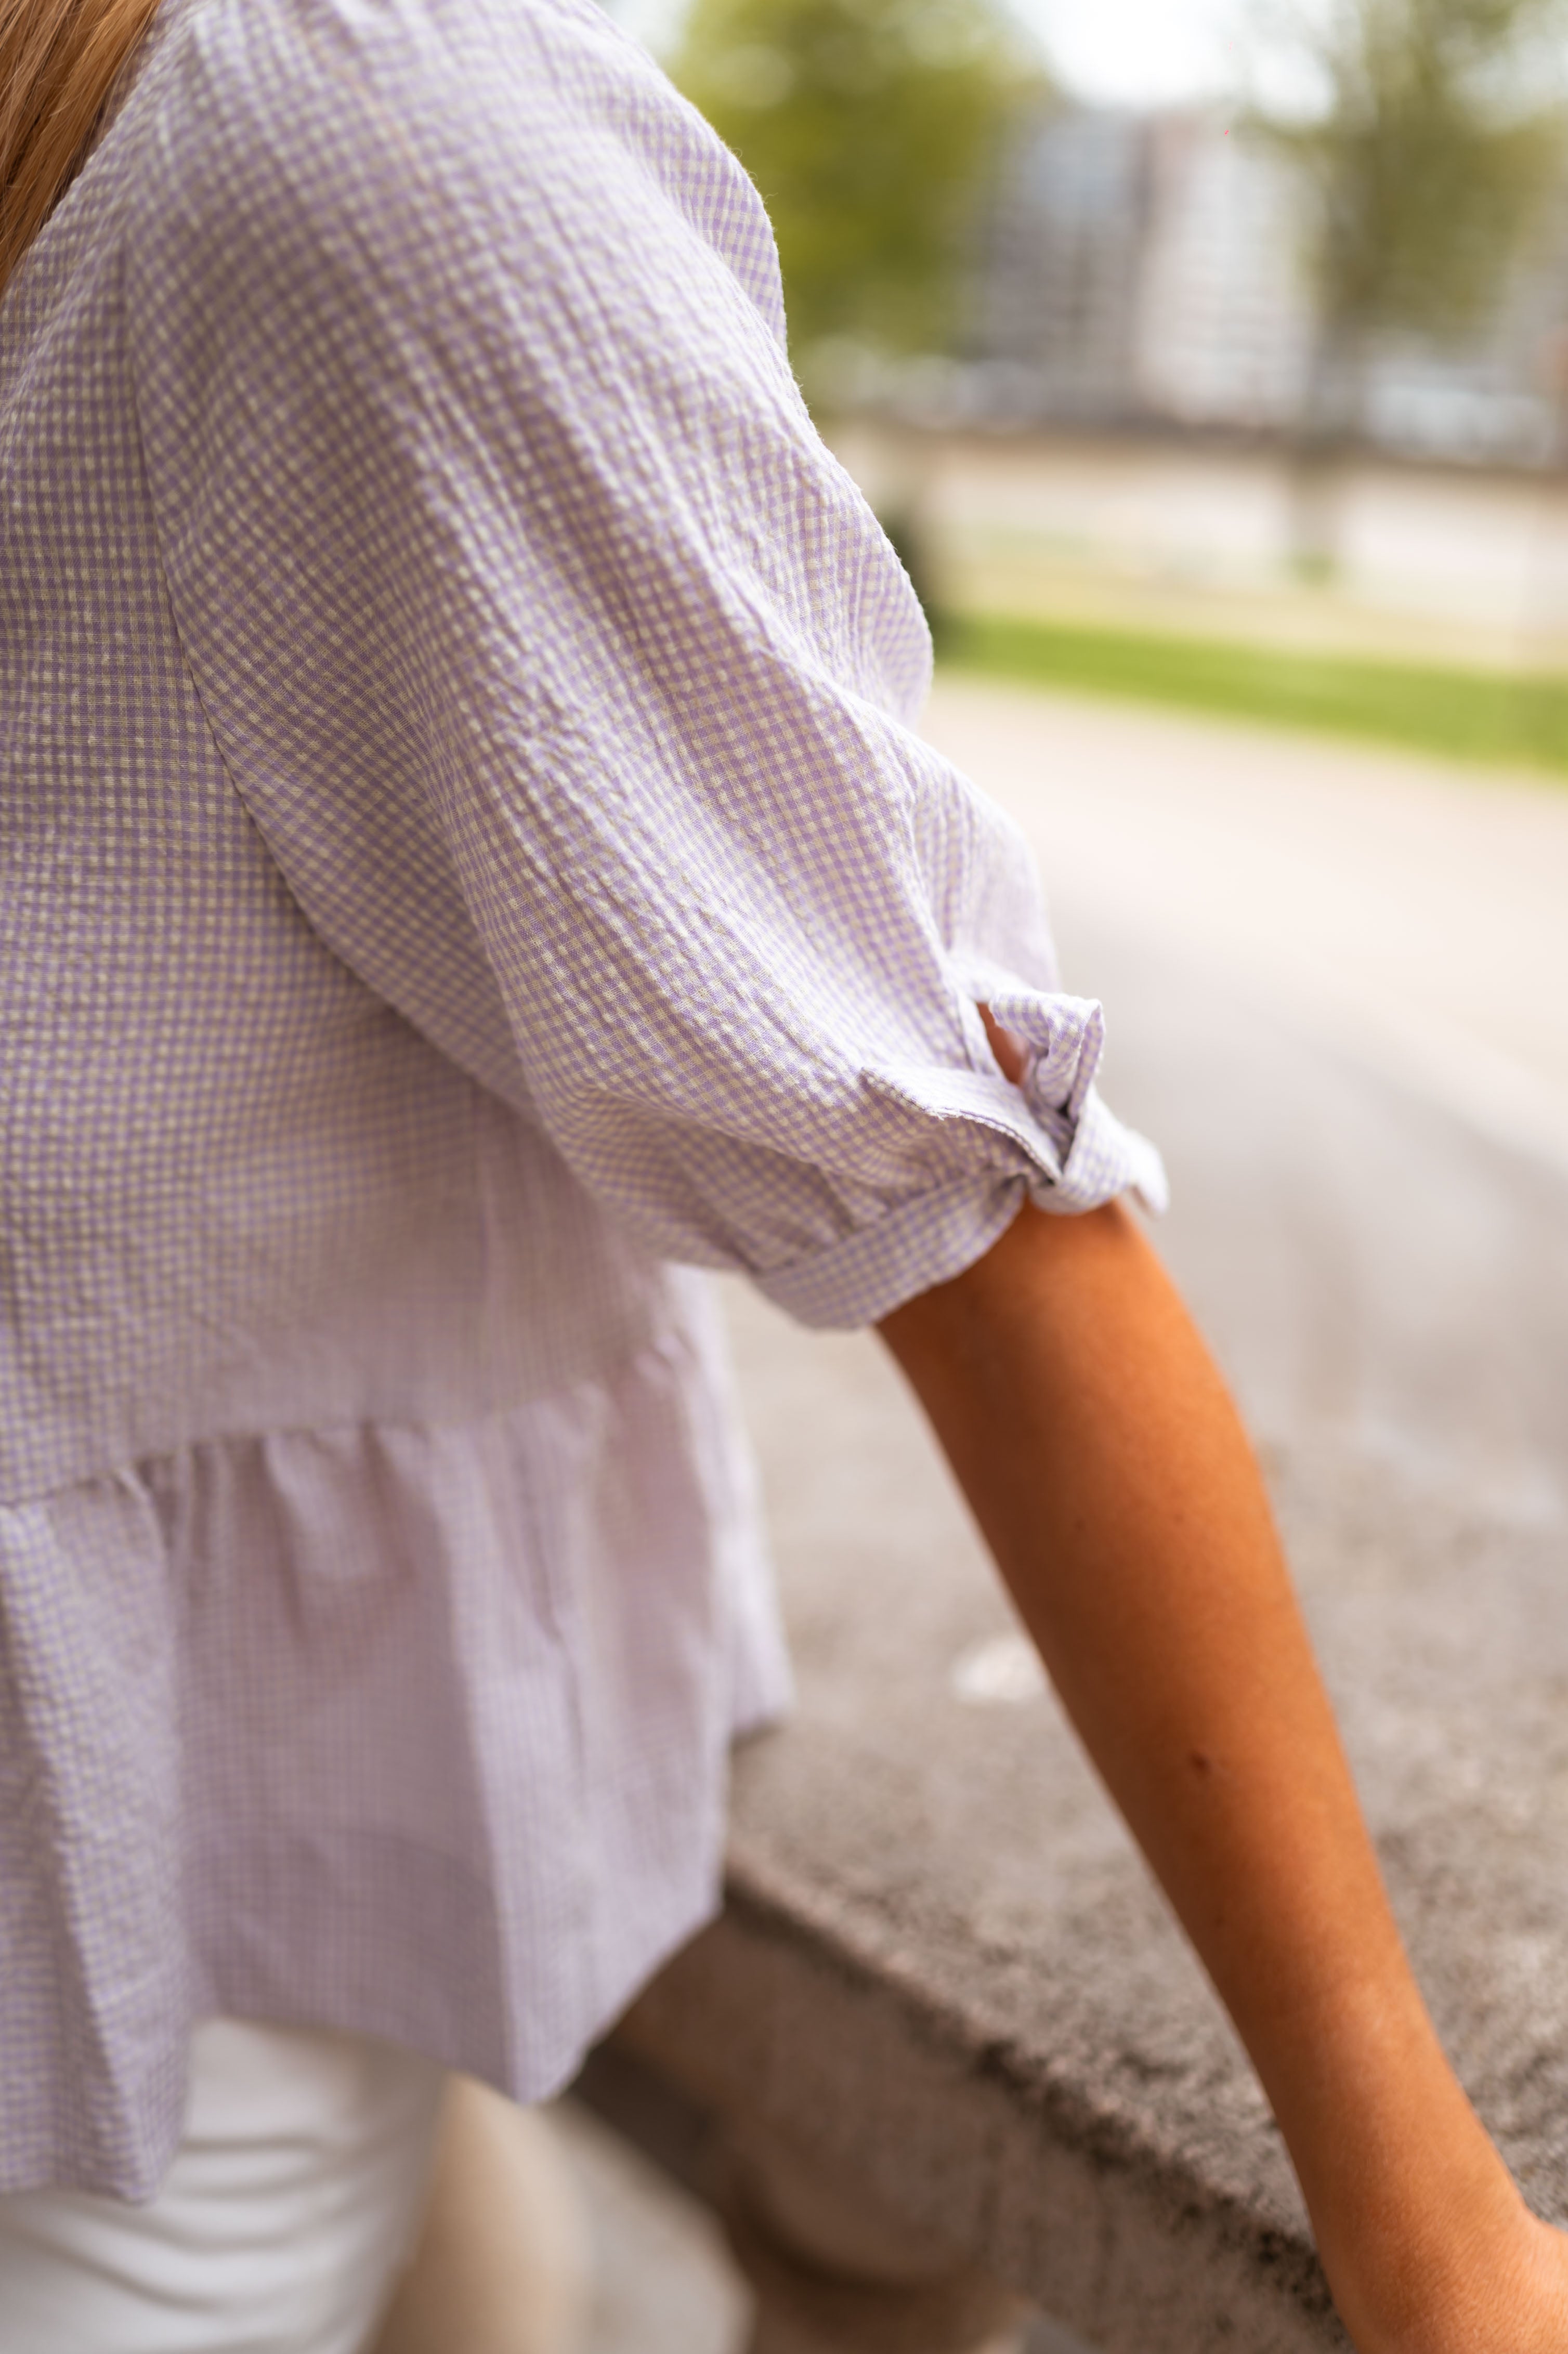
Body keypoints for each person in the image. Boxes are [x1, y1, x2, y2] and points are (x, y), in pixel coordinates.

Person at [0, 0, 1564, 2346]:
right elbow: (970, 1222)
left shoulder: (347, 161)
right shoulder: (319, 159)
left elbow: (965, 1204)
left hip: (114, 2000)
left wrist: (1436, 2242)